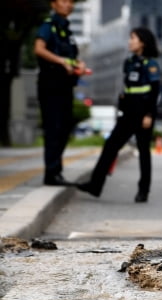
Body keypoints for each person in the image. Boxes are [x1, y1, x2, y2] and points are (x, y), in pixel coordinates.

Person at [77, 28, 160, 203]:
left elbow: (155, 92)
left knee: (144, 152)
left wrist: (149, 115)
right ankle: (95, 185)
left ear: (142, 42)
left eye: (133, 38)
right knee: (110, 146)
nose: (130, 42)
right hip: (128, 113)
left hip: (143, 113)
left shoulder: (150, 64)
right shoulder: (128, 62)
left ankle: (143, 191)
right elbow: (127, 88)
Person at [34, 0, 87, 186]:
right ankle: (52, 173)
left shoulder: (68, 32)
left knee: (65, 127)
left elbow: (71, 57)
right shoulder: (48, 27)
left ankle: (56, 170)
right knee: (54, 128)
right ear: (54, 4)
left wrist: (78, 64)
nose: (68, 5)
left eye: (71, 2)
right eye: (64, 1)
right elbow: (39, 49)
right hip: (50, 84)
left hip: (65, 85)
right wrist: (60, 61)